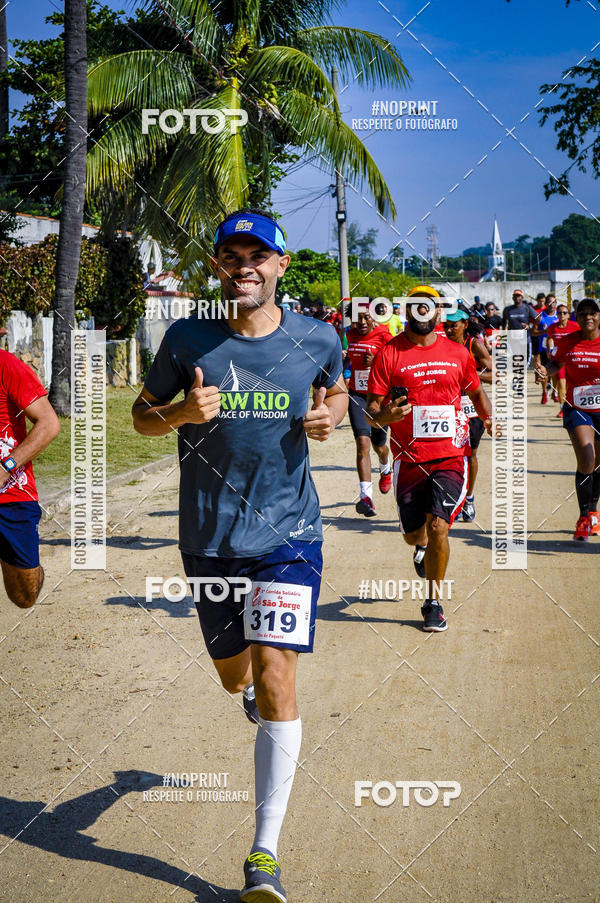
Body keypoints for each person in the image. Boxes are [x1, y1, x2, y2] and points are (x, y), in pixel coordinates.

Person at [132, 208, 348, 903]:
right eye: (232, 256)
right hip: (210, 539)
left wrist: (331, 414)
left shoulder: (317, 337)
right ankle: (246, 686)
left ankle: (265, 852)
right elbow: (140, 416)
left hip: (289, 536)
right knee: (236, 677)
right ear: (219, 267)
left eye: (258, 256)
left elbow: (338, 388)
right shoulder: (186, 338)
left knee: (279, 673)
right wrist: (180, 414)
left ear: (281, 265)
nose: (245, 267)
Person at [366, 287, 493, 632]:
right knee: (414, 535)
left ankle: (433, 601)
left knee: (439, 525)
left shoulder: (457, 353)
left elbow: (476, 391)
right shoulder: (389, 354)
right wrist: (384, 417)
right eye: (415, 306)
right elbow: (372, 409)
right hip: (409, 459)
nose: (422, 311)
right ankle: (420, 546)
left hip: (450, 454)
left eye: (429, 306)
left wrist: (489, 418)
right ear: (406, 311)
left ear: (438, 312)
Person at [0, 351, 60, 608]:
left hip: (11, 494)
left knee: (24, 596)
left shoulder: (6, 365)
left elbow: (49, 424)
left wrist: (5, 468)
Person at [539, 298, 600, 541]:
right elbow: (556, 363)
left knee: (598, 464)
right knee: (587, 457)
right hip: (578, 407)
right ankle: (583, 517)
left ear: (599, 316)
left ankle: (594, 511)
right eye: (583, 313)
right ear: (577, 317)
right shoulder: (568, 341)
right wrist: (545, 371)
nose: (588, 317)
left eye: (593, 313)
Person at [442, 309, 493, 522]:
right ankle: (453, 497)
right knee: (449, 455)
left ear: (465, 324)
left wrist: (472, 376)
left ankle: (469, 499)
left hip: (471, 407)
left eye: (454, 325)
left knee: (469, 454)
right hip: (448, 406)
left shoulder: (474, 345)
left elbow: (495, 374)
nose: (449, 329)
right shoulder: (440, 345)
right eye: (446, 325)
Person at [344, 305, 393, 516]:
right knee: (362, 443)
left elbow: (396, 363)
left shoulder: (385, 336)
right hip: (356, 395)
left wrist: (376, 362)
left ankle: (385, 467)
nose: (362, 322)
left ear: (374, 317)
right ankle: (366, 497)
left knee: (379, 445)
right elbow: (347, 358)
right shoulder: (349, 334)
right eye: (357, 319)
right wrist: (344, 371)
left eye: (366, 318)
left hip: (379, 397)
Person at [546, 304, 579, 417]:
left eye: (564, 313)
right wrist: (549, 350)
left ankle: (570, 406)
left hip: (572, 360)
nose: (562, 315)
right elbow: (549, 338)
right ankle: (562, 409)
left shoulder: (575, 326)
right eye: (559, 313)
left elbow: (582, 337)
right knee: (561, 384)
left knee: (570, 386)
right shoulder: (552, 327)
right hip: (559, 360)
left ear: (568, 315)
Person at [535, 295, 558, 404]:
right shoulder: (540, 316)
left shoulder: (560, 315)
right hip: (544, 349)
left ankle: (554, 392)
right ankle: (544, 392)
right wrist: (546, 332)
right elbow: (533, 332)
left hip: (556, 348)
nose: (551, 305)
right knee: (544, 372)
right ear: (546, 304)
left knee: (556, 372)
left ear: (556, 304)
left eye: (553, 302)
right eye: (549, 302)